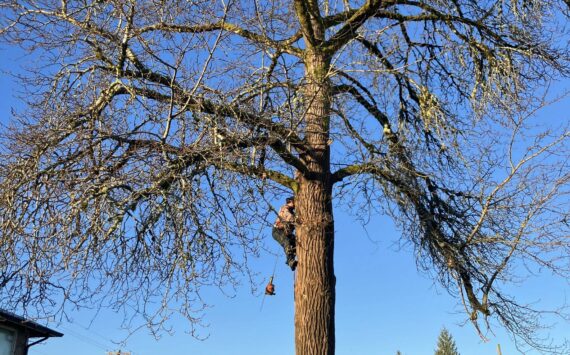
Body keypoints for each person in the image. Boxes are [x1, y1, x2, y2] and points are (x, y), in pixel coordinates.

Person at [272, 197, 297, 271]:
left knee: (296, 243)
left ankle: (290, 257)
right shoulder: (285, 208)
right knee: (286, 242)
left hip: (286, 233)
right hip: (277, 231)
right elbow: (289, 217)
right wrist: (297, 220)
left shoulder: (292, 212)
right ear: (291, 201)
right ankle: (290, 261)